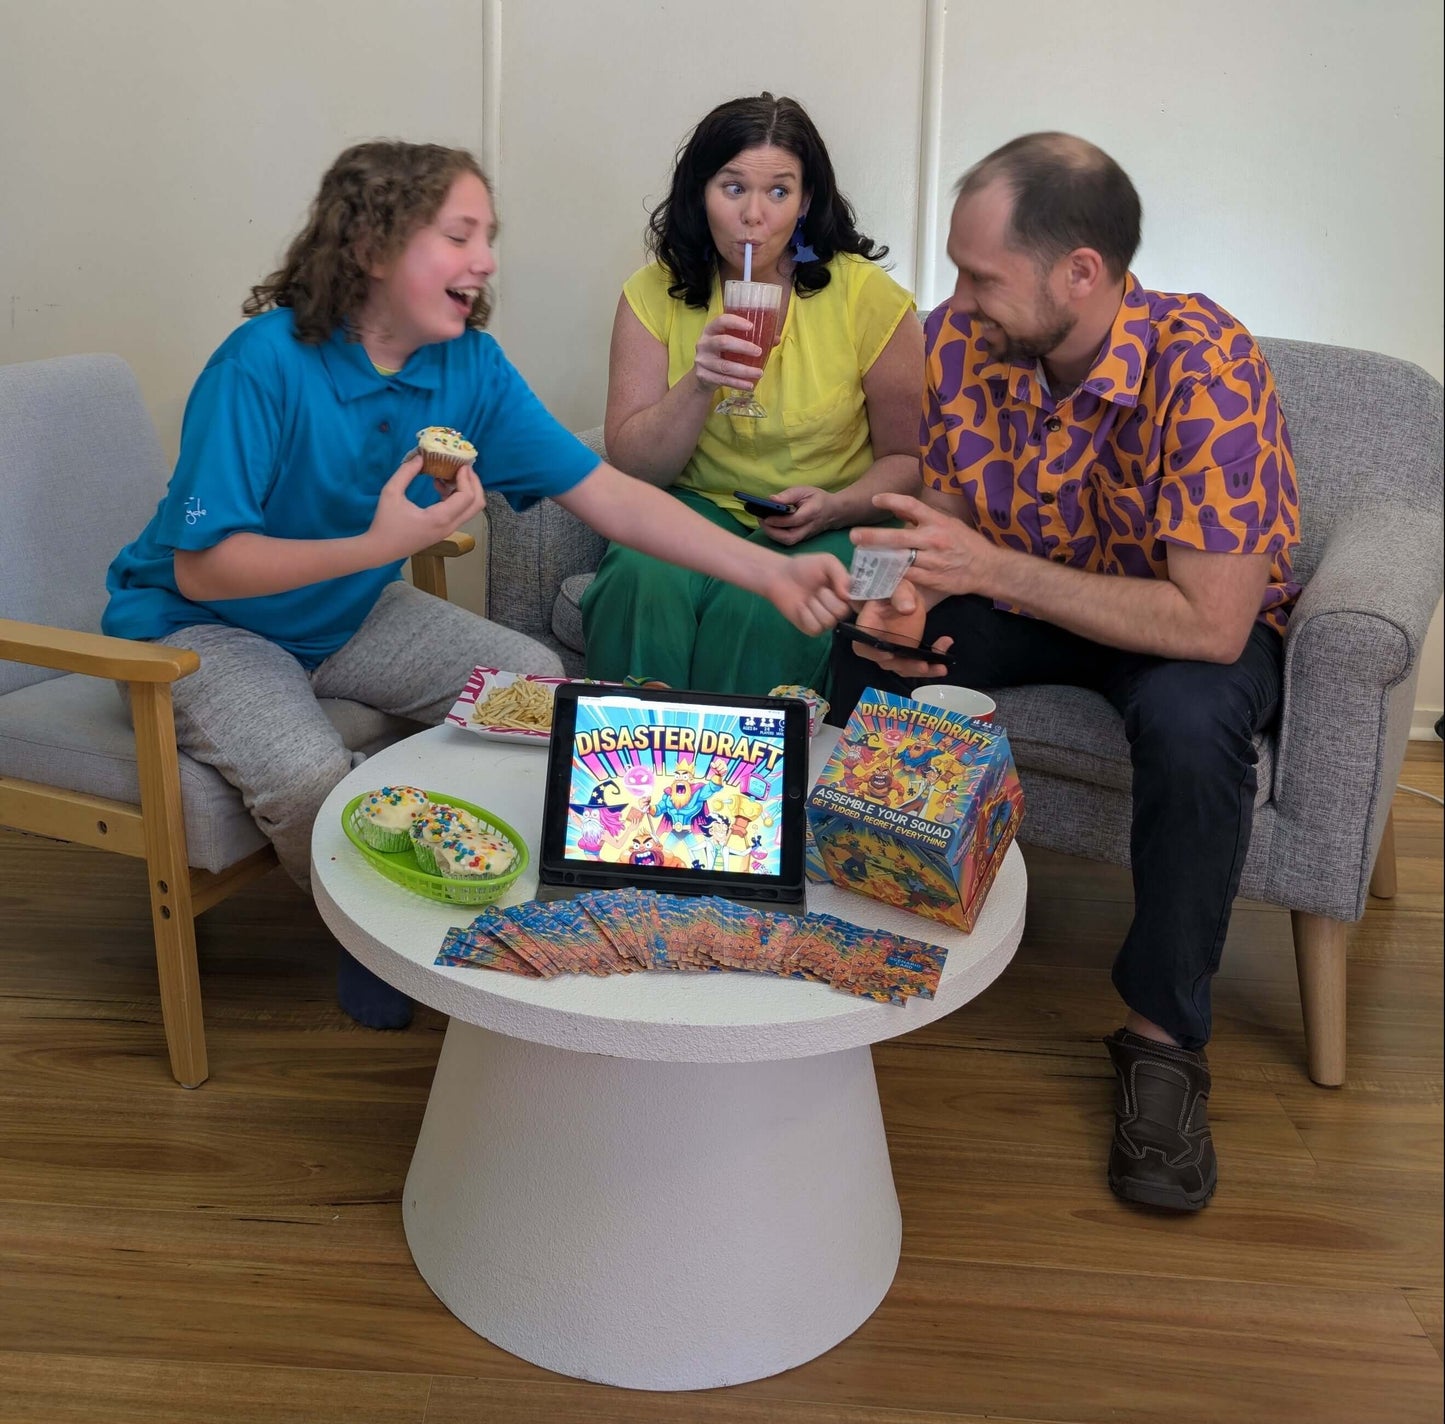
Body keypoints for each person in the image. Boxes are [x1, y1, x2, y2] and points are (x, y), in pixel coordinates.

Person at [103, 140, 851, 1031]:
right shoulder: (258, 365)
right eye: (459, 235)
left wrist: (769, 570)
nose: (486, 260)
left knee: (540, 689)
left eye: (487, 236)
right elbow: (204, 563)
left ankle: (525, 902)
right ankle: (372, 941)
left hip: (346, 616)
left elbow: (610, 494)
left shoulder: (469, 368)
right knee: (308, 776)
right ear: (372, 249)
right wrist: (376, 545)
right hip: (200, 631)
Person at [831, 133, 1300, 1212]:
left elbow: (1213, 622)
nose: (955, 299)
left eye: (979, 275)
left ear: (1078, 272)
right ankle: (838, 916)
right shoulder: (961, 341)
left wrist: (991, 569)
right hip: (1027, 587)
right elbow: (942, 505)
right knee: (871, 652)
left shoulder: (1205, 364)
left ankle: (1162, 1042)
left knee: (1192, 731)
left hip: (1176, 625)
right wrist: (890, 583)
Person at [581, 93, 923, 696]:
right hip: (693, 505)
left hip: (831, 518)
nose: (753, 216)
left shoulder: (867, 298)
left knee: (763, 601)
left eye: (779, 192)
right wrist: (700, 383)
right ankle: (626, 769)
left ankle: (743, 780)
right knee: (638, 576)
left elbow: (912, 462)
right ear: (700, 192)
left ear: (806, 201)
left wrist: (836, 505)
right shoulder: (652, 293)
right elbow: (632, 466)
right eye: (733, 188)